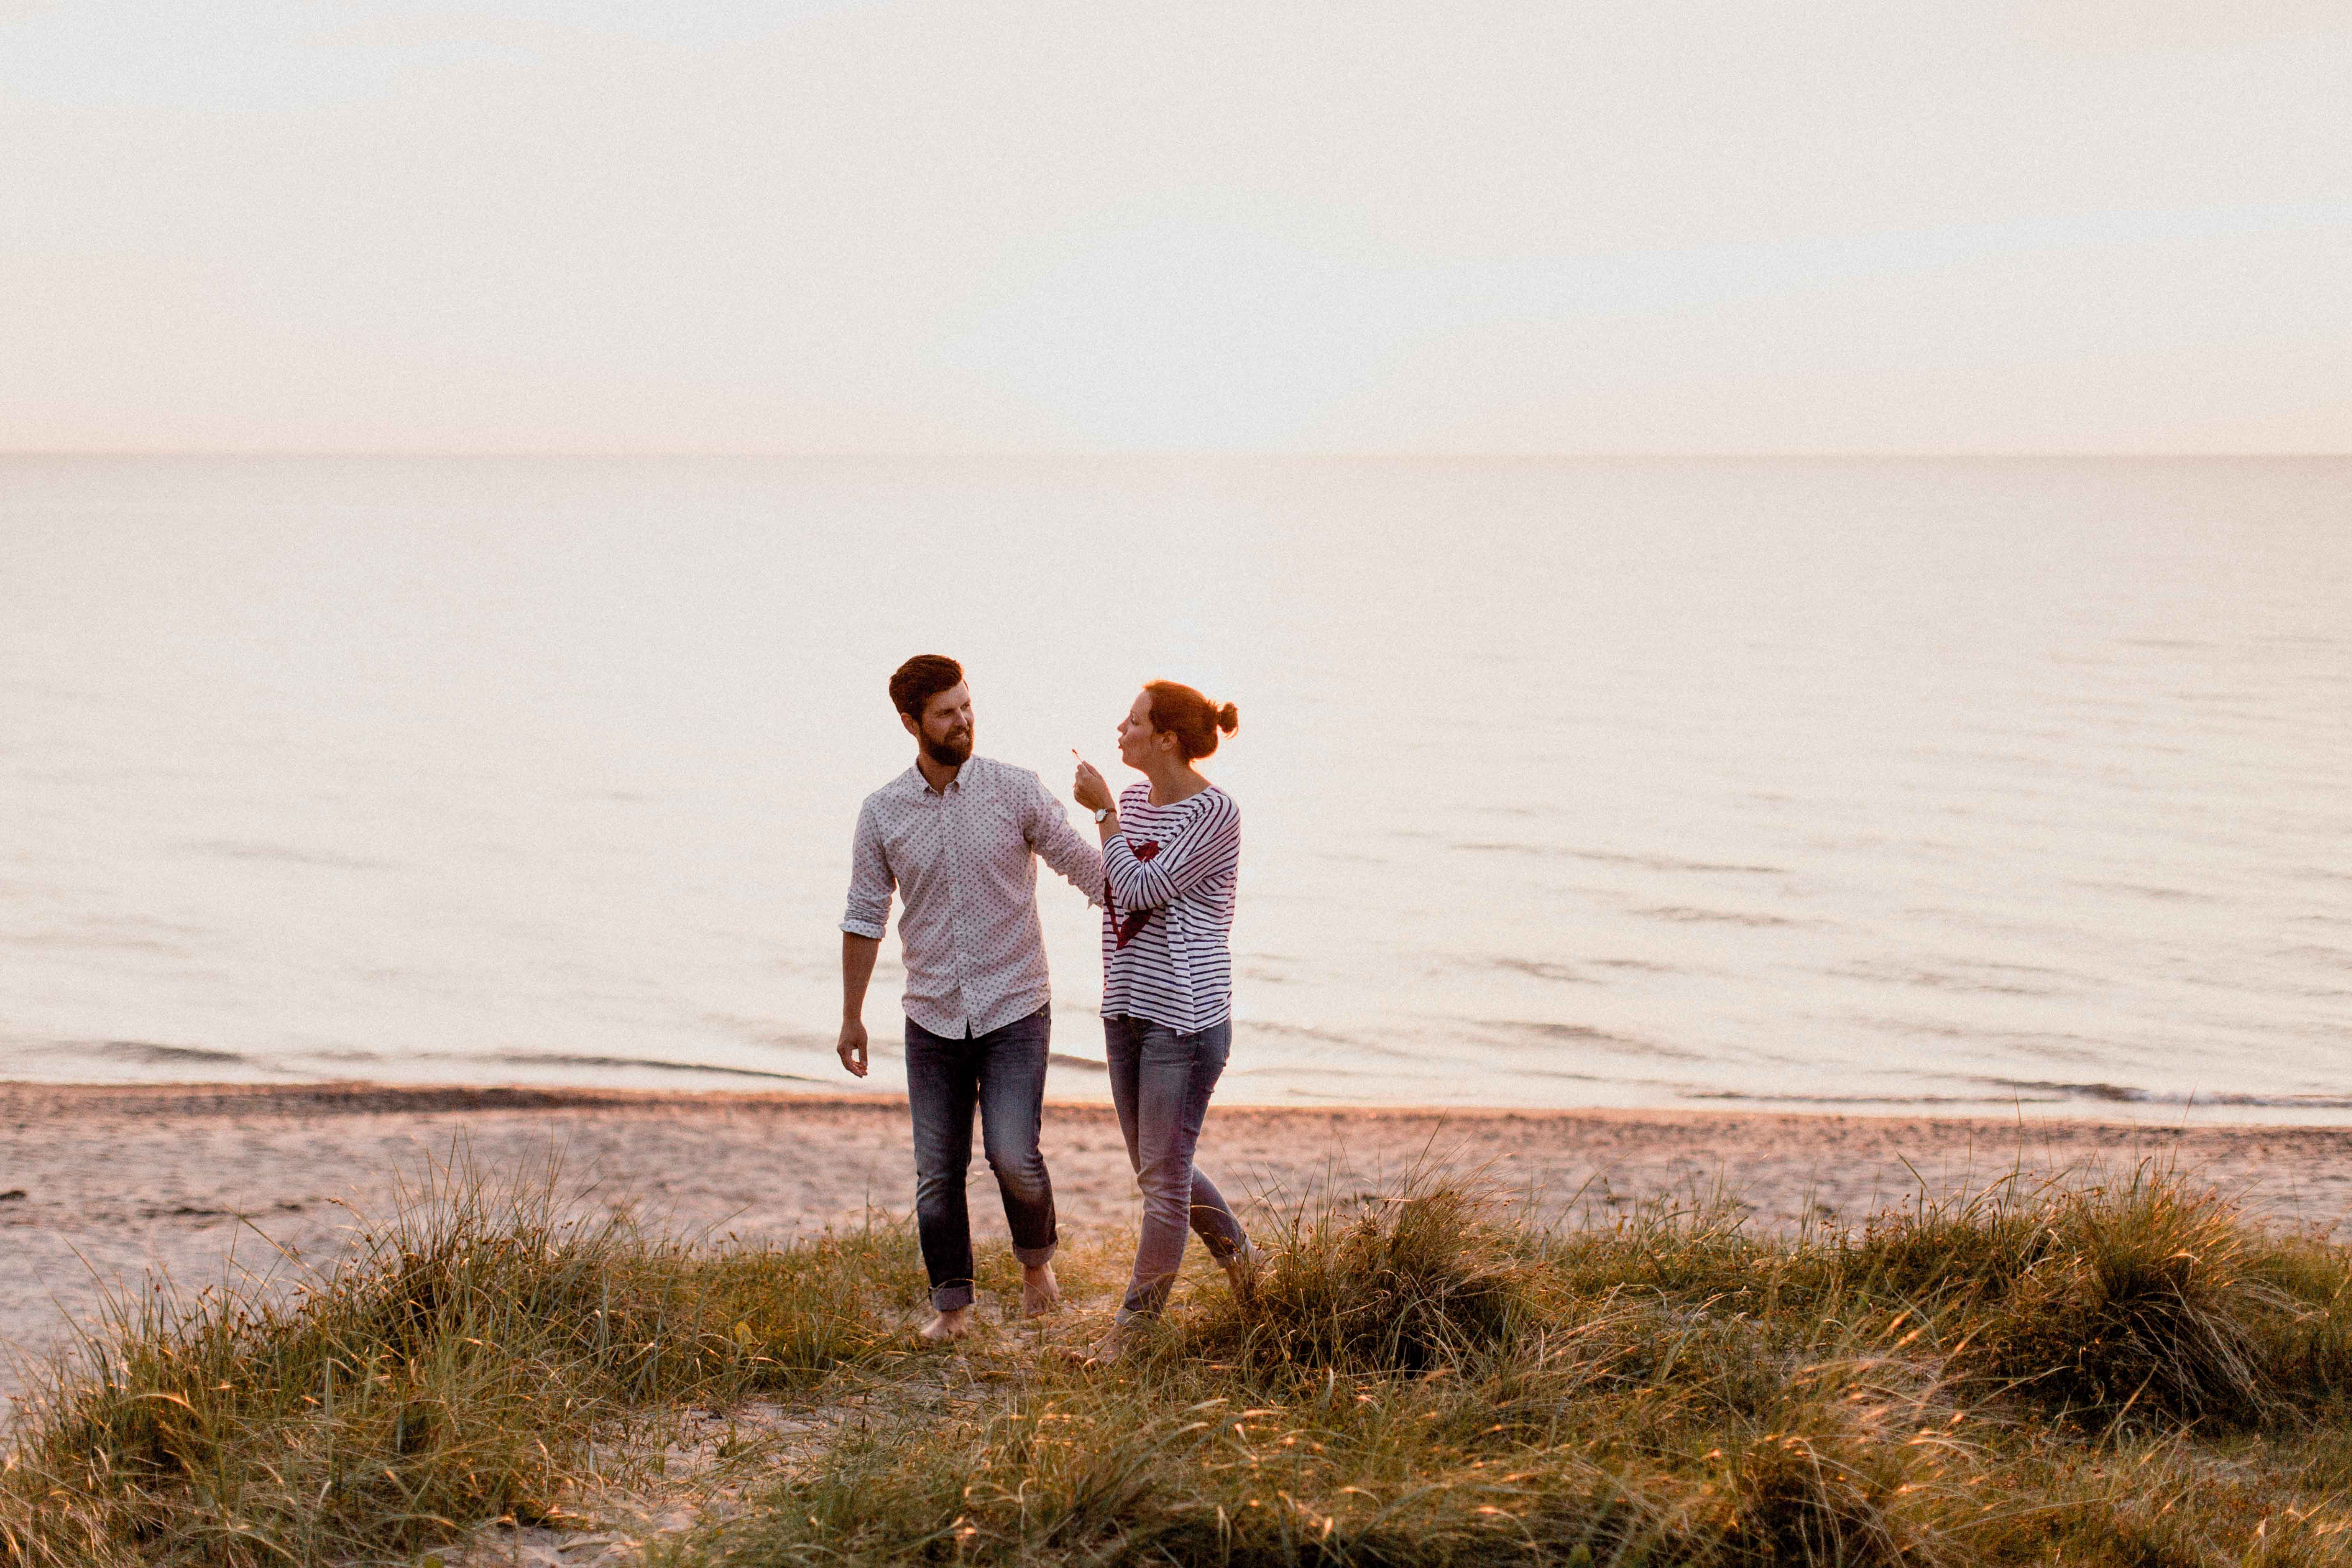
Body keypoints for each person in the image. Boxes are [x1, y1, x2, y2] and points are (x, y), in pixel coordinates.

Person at [839, 654, 1102, 1341]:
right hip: (930, 1015)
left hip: (1015, 1004)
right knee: (937, 1170)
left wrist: (1113, 819)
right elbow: (864, 916)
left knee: (1013, 1152)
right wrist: (851, 1015)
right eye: (946, 713)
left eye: (966, 705)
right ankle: (952, 1308)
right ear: (911, 723)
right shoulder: (882, 813)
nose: (963, 721)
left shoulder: (1016, 791)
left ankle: (1036, 1264)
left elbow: (1090, 873)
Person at [1071, 679, 1253, 1357]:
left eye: (1134, 720)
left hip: (1185, 1019)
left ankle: (1131, 1333)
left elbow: (1143, 884)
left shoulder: (1215, 812)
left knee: (1162, 1181)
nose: (1121, 729)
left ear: (1168, 738)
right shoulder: (1136, 805)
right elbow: (1113, 886)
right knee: (1159, 1171)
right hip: (1127, 1007)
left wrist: (1102, 817)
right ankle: (1249, 1267)